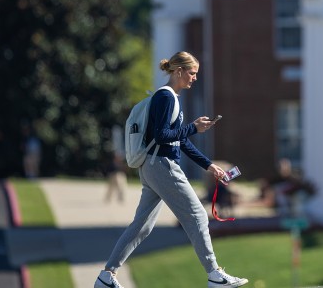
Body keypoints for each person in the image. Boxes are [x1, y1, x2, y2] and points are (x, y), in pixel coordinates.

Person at [94, 51, 248, 288]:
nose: (195, 78)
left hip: (152, 166)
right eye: (192, 73)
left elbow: (180, 141)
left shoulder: (169, 98)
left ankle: (107, 276)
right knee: (197, 214)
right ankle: (214, 274)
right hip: (162, 165)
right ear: (178, 71)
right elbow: (162, 135)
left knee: (141, 226)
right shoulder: (166, 98)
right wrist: (193, 127)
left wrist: (208, 165)